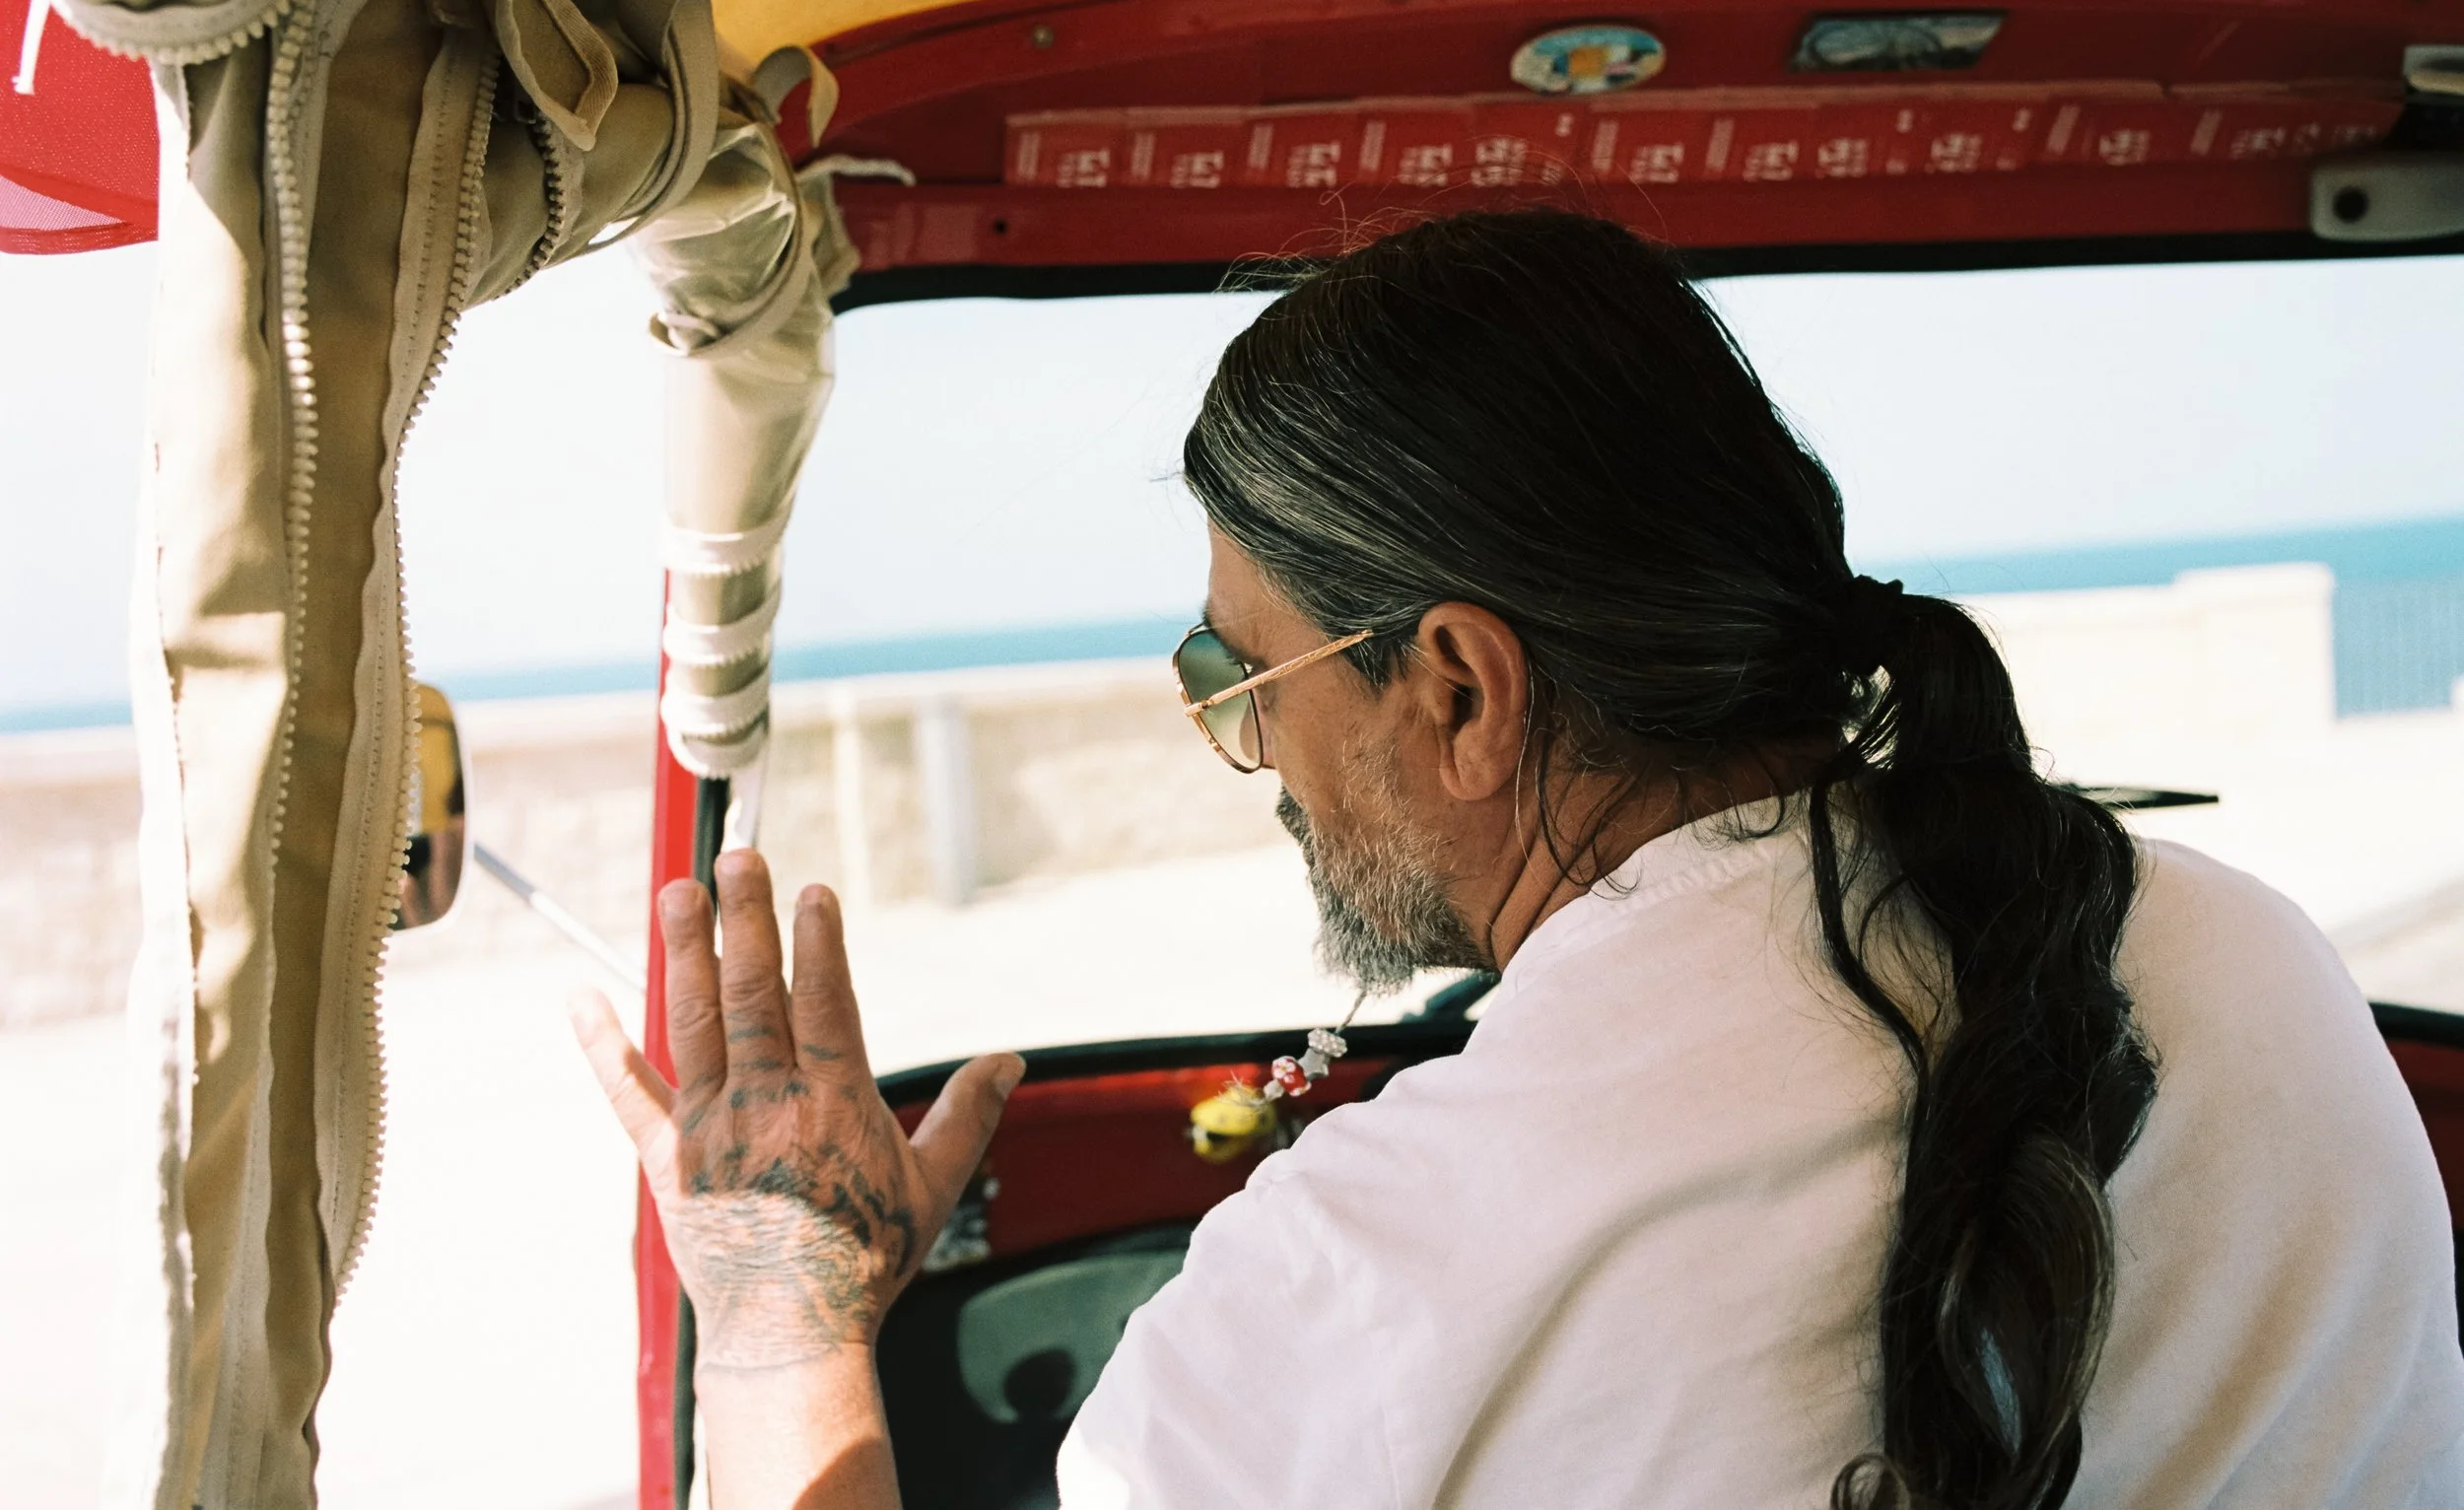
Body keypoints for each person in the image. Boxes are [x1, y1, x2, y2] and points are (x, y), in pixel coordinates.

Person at [571, 209, 2464, 1509]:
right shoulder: (2254, 962)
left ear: (1462, 690)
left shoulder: (1374, 1277)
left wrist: (777, 1324)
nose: (1257, 758)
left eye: (1244, 672)